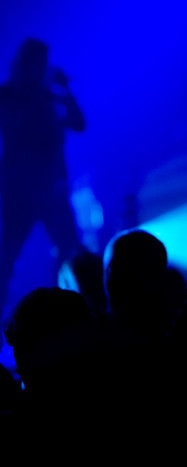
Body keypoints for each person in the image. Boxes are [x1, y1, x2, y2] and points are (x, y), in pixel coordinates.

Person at [0, 38, 85, 317]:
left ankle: (63, 311)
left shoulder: (48, 95)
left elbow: (79, 123)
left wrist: (64, 90)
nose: (41, 68)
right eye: (38, 62)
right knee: (7, 259)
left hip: (51, 191)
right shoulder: (8, 95)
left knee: (70, 252)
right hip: (20, 192)